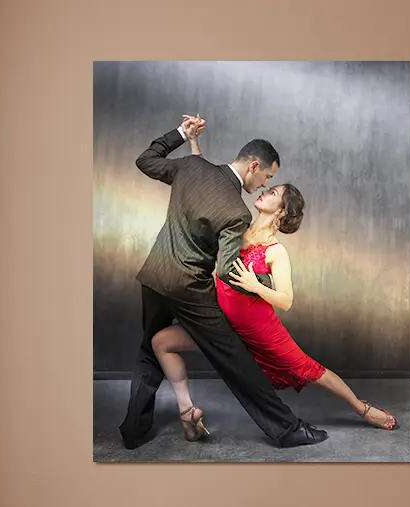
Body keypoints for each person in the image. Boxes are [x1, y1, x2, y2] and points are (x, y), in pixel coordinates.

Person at [152, 117, 397, 441]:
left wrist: (255, 286)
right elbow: (208, 186)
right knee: (162, 342)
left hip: (262, 331)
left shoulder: (274, 251)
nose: (264, 189)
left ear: (280, 211)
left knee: (311, 370)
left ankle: (362, 408)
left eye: (274, 191)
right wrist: (195, 144)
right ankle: (188, 415)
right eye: (268, 184)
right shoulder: (237, 225)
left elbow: (287, 300)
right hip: (224, 326)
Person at [118, 114, 328, 449]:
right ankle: (287, 429)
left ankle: (133, 432)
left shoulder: (190, 166)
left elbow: (145, 160)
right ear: (254, 165)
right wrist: (259, 285)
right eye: (267, 178)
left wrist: (180, 134)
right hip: (189, 289)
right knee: (235, 359)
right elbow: (225, 270)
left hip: (154, 277)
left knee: (148, 350)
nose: (263, 184)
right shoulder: (236, 211)